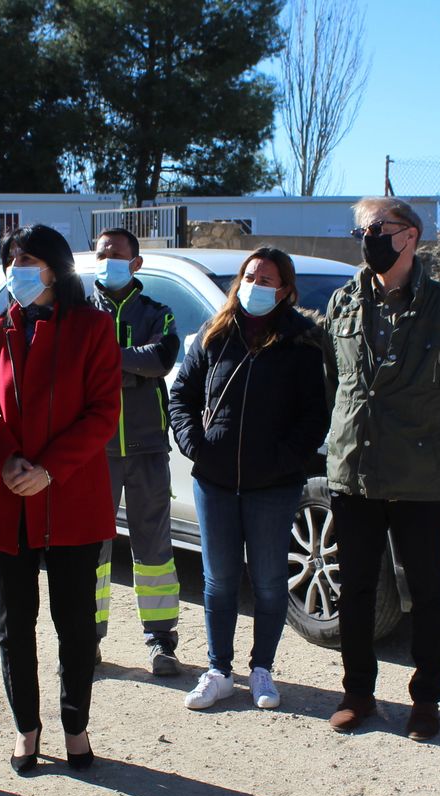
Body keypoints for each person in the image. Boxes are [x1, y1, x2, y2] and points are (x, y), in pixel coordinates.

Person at [323, 196, 440, 742]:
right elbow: (335, 384)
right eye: (361, 231)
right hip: (355, 471)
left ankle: (426, 701)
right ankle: (358, 693)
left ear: (410, 236)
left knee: (427, 591)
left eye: (375, 229)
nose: (366, 239)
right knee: (357, 589)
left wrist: (430, 445)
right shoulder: (344, 302)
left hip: (419, 477)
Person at [0, 224, 121, 774]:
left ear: (55, 267)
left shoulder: (93, 327)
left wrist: (50, 470)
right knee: (15, 624)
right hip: (10, 496)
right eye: (11, 260)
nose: (17, 270)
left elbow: (103, 412)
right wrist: (9, 462)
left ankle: (75, 727)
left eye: (28, 260)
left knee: (76, 624)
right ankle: (26, 728)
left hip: (70, 496)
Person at [169, 247, 331, 711]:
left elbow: (313, 417)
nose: (256, 285)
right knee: (218, 581)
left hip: (272, 486)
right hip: (214, 481)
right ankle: (219, 670)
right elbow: (182, 393)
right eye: (250, 276)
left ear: (285, 290)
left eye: (267, 279)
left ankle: (262, 670)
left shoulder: (301, 341)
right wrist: (194, 444)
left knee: (267, 583)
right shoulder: (214, 333)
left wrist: (284, 460)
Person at [87, 227, 184, 675]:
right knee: (90, 550)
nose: (109, 260)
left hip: (147, 449)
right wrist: (130, 364)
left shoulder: (157, 312)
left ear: (136, 263)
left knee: (154, 551)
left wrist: (108, 361)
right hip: (92, 451)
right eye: (102, 253)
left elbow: (160, 359)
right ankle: (86, 639)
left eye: (118, 255)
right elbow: (76, 368)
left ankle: (161, 642)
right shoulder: (79, 312)